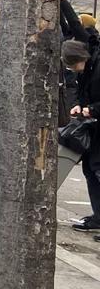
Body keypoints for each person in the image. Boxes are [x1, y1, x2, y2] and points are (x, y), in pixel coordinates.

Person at [63, 39, 100, 233]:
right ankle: (98, 216)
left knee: (96, 169)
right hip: (93, 126)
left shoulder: (95, 67)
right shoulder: (88, 68)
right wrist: (80, 104)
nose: (73, 69)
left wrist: (91, 109)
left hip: (95, 120)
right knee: (90, 170)